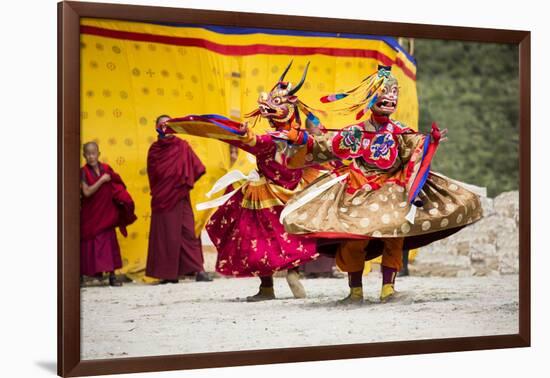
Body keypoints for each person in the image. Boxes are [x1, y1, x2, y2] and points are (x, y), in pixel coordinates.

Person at [278, 65, 483, 303]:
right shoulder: (354, 133)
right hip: (358, 190)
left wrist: (430, 141)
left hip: (391, 190)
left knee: (394, 235)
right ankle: (355, 292)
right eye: (384, 91)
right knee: (354, 239)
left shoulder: (401, 132)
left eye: (394, 92)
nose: (390, 96)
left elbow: (416, 149)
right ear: (369, 97)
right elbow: (324, 146)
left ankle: (388, 289)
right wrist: (299, 137)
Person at [161, 62, 324, 301]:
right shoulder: (303, 138)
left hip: (266, 196)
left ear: (290, 109)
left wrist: (236, 133)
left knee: (258, 238)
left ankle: (268, 286)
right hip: (295, 194)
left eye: (277, 103)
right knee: (291, 235)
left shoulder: (271, 141)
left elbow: (248, 141)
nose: (268, 107)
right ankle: (291, 272)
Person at [146, 115, 212, 284]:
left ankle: (198, 270)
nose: (166, 128)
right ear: (157, 128)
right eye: (162, 125)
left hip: (181, 197)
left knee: (188, 233)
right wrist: (173, 181)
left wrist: (183, 182)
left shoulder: (182, 146)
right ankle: (168, 274)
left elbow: (197, 168)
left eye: (169, 125)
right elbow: (155, 175)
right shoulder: (154, 151)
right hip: (163, 199)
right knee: (166, 236)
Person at [80, 141, 137, 286]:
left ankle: (112, 276)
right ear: (84, 156)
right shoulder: (83, 172)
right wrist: (101, 180)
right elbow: (86, 192)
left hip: (107, 212)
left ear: (98, 154)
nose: (91, 156)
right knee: (89, 243)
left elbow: (117, 185)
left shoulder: (106, 168)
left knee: (109, 243)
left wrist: (123, 200)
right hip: (92, 214)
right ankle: (82, 276)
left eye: (93, 153)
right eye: (88, 154)